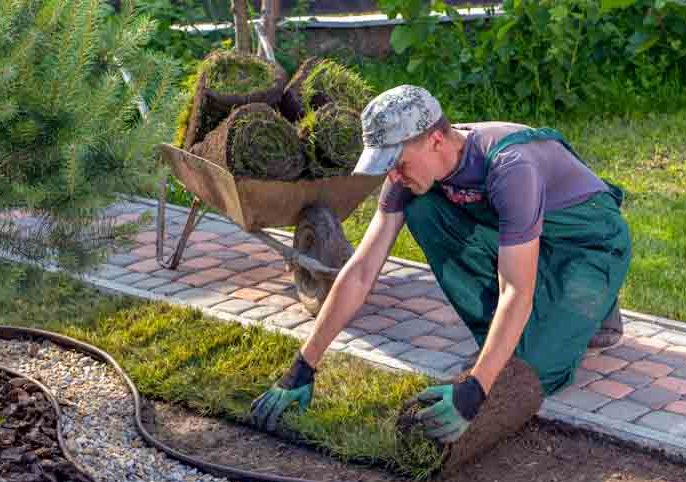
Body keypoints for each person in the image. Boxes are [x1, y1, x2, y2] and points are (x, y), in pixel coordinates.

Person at [251, 85, 632, 443]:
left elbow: (516, 289)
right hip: (529, 238)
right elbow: (362, 269)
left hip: (586, 243)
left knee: (534, 371)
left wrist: (475, 390)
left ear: (434, 140)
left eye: (397, 162)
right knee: (423, 206)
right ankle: (540, 321)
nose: (393, 176)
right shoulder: (410, 174)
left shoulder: (510, 167)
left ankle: (595, 303)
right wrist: (304, 365)